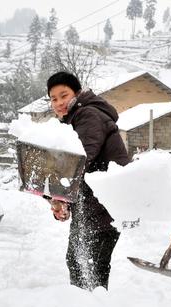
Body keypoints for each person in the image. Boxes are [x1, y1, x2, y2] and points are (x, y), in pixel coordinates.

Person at [46, 71, 129, 291]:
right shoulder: (74, 120)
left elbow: (78, 161)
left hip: (105, 208)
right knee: (81, 265)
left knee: (90, 267)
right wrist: (60, 201)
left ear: (77, 93)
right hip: (92, 207)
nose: (59, 103)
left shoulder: (88, 115)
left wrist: (55, 194)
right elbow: (75, 172)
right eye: (54, 99)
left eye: (63, 95)